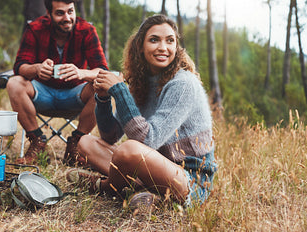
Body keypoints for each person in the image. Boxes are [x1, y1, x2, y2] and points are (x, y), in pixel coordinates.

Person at [66, 15, 217, 207]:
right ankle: (145, 193)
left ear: (177, 47)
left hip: (189, 180)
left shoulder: (183, 84)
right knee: (86, 142)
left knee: (129, 149)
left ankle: (105, 186)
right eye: (154, 40)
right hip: (151, 167)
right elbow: (110, 136)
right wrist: (103, 98)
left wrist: (120, 91)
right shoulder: (139, 83)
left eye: (170, 40)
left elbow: (148, 141)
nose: (163, 47)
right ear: (140, 47)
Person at [6, 0, 108, 165]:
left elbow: (102, 71)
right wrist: (37, 69)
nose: (67, 17)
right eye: (60, 13)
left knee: (102, 87)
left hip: (75, 93)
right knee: (14, 83)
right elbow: (20, 66)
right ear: (48, 13)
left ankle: (76, 145)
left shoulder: (86, 30)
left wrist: (81, 72)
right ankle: (38, 143)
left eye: (71, 11)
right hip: (42, 92)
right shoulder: (35, 28)